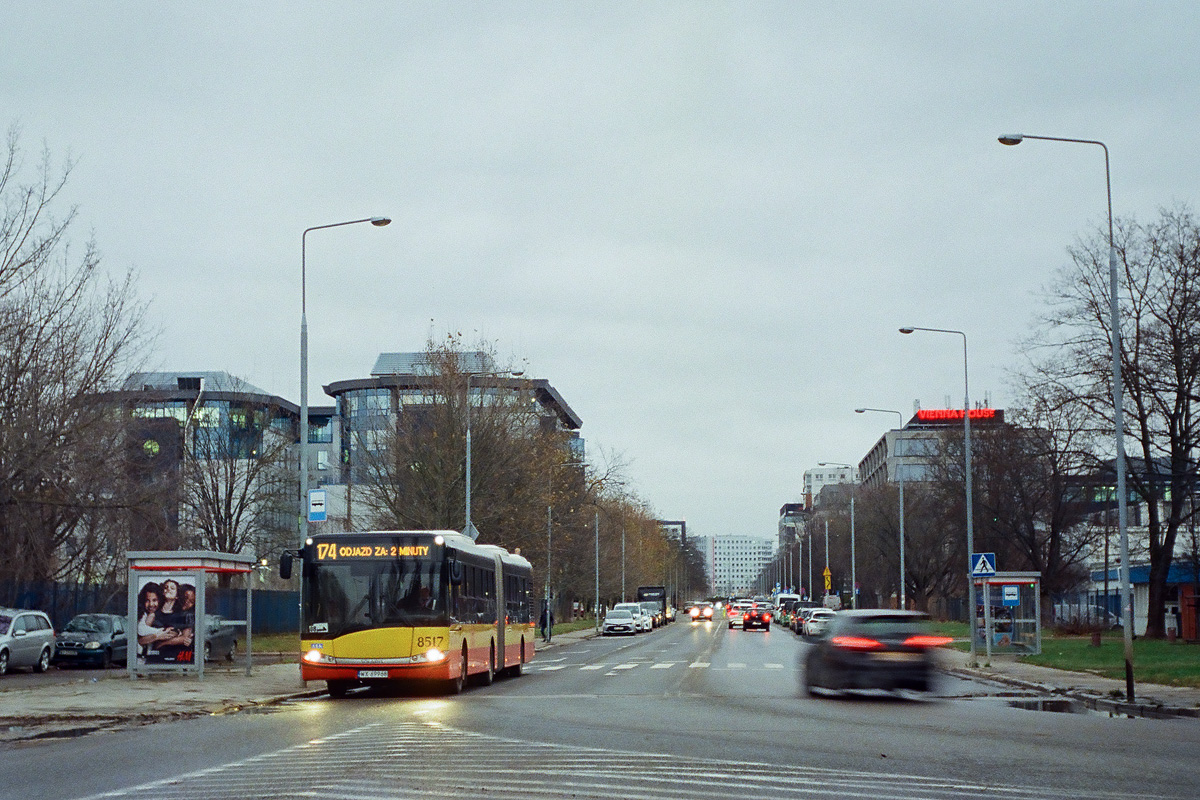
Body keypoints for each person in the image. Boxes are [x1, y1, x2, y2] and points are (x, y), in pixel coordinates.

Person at [136, 582, 177, 664]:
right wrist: (160, 632)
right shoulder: (142, 614)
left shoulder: (161, 614)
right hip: (140, 659)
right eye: (147, 600)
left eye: (154, 600)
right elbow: (141, 631)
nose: (151, 604)